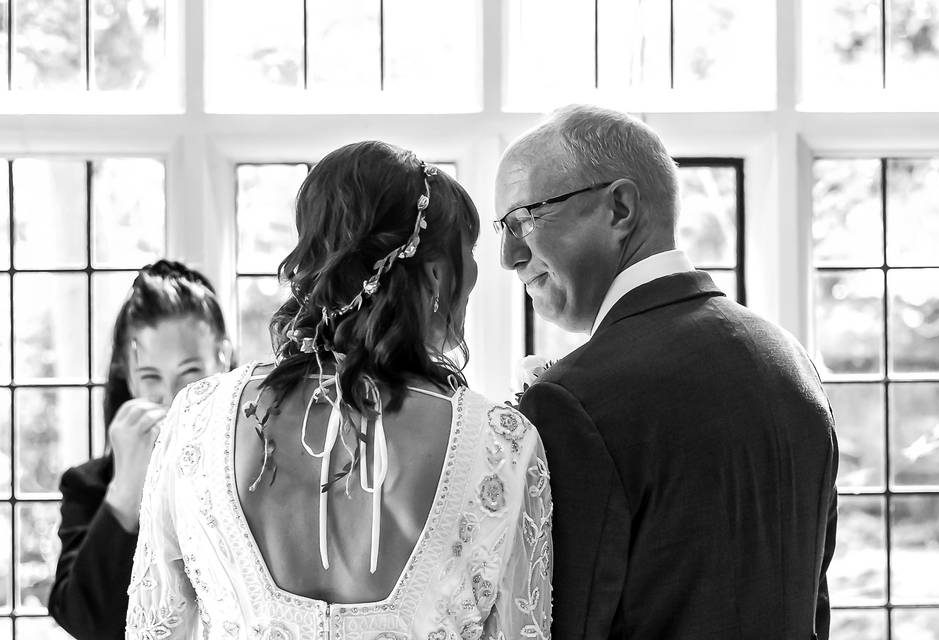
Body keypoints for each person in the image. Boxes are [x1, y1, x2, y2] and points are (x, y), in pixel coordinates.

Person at [125, 141, 553, 639]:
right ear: (437, 273)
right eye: (471, 251)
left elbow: (154, 630)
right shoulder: (503, 445)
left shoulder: (196, 419)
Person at [495, 105, 838, 640]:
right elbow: (812, 602)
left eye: (524, 218)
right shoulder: (790, 361)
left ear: (621, 207)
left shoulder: (575, 399)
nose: (508, 255)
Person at [49, 260, 233, 640]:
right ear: (128, 376)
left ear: (224, 358)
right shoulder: (89, 485)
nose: (172, 397)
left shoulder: (259, 468)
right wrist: (126, 488)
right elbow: (86, 623)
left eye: (190, 372)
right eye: (151, 377)